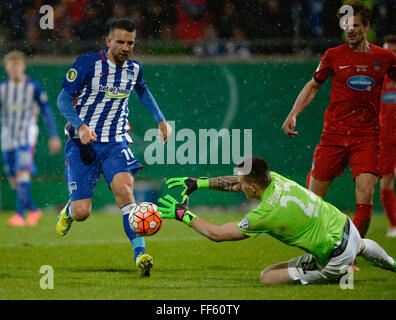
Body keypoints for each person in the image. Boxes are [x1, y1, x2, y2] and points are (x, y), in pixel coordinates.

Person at [158, 155, 396, 285]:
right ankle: (391, 263)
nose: (238, 187)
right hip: (346, 227)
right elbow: (237, 182)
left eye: (243, 185)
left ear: (252, 187)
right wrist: (199, 183)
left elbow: (218, 234)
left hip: (336, 256)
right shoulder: (276, 179)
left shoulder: (265, 215)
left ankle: (337, 276)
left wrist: (183, 215)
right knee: (361, 245)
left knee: (268, 277)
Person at [55, 18, 172, 277]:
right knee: (83, 212)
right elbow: (63, 100)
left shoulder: (134, 69)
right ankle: (70, 210)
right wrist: (81, 126)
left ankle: (140, 255)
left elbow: (142, 90)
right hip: (82, 144)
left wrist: (161, 120)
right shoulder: (87, 64)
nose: (125, 47)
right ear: (108, 41)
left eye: (130, 43)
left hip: (116, 143)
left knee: (125, 194)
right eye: (120, 42)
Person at [281, 0, 396, 238]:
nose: (350, 29)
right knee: (312, 202)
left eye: (355, 25)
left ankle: (350, 255)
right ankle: (315, 249)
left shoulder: (384, 57)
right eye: (346, 25)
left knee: (365, 195)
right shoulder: (333, 55)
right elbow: (313, 86)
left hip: (367, 137)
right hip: (334, 135)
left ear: (366, 26)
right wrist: (293, 113)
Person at [0, 50, 62, 227]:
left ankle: (20, 215)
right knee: (13, 177)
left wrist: (54, 136)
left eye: (18, 65)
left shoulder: (34, 87)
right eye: (12, 66)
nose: (15, 69)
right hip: (7, 137)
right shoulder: (3, 89)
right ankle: (34, 210)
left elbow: (47, 112)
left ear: (23, 66)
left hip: (26, 136)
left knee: (22, 173)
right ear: (6, 68)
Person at [379, 35, 396, 238]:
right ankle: (393, 225)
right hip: (384, 137)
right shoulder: (378, 79)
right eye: (388, 52)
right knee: (386, 181)